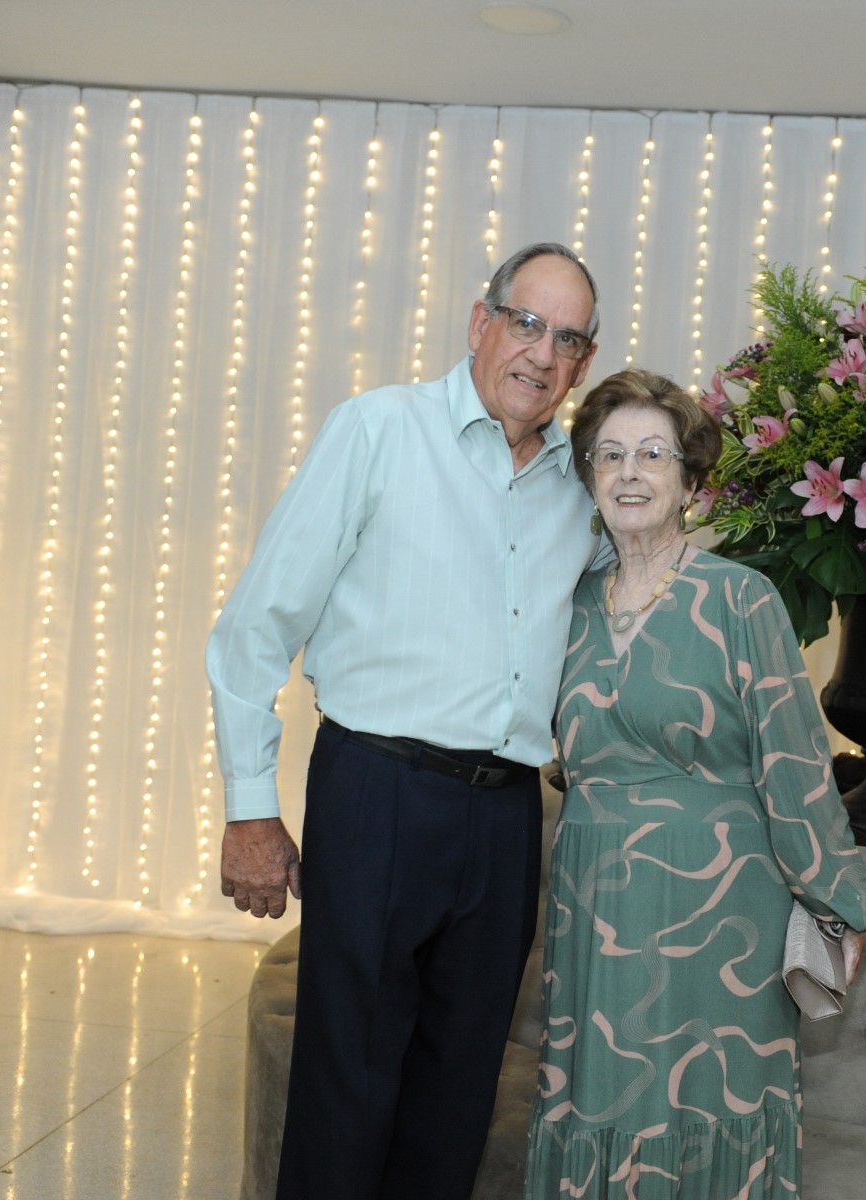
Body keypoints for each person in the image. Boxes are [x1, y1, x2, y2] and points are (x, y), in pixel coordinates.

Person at [208, 243, 604, 1200]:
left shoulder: (583, 488)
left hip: (507, 817)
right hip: (377, 793)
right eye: (526, 323)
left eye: (567, 339)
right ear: (480, 323)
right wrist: (250, 808)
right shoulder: (379, 429)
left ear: (582, 363)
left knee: (458, 1093)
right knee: (347, 1082)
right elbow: (256, 627)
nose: (541, 354)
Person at [526, 369, 866, 1199]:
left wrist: (839, 899)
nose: (629, 472)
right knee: (599, 1092)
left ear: (690, 481)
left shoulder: (740, 598)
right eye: (609, 454)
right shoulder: (565, 604)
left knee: (707, 1097)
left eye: (652, 454)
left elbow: (794, 762)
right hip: (593, 898)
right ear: (587, 476)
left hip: (722, 903)